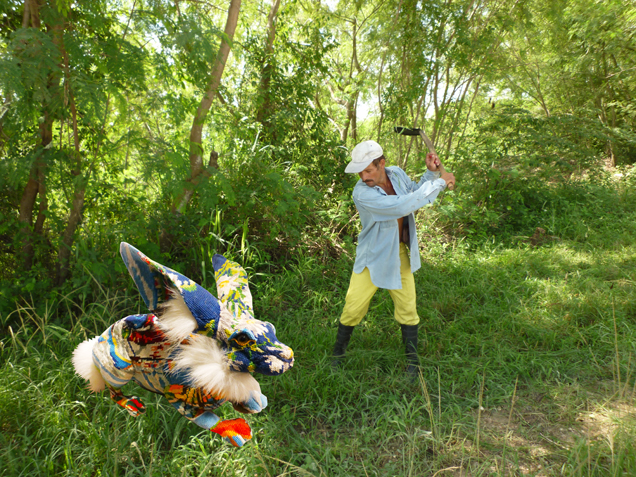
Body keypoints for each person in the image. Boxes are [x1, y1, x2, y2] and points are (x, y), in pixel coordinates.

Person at [331, 139, 455, 378]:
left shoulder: (396, 174)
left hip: (398, 251)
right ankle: (338, 355)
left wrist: (430, 175)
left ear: (382, 164)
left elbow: (413, 192)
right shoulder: (362, 192)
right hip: (373, 255)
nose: (363, 176)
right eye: (360, 171)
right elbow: (402, 206)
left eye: (368, 170)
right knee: (353, 307)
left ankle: (412, 363)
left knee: (408, 306)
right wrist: (440, 183)